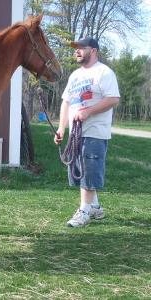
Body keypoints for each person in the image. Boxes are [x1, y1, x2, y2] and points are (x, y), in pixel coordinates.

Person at [54, 37, 120, 227]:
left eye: (81, 48)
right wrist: (61, 127)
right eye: (76, 48)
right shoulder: (75, 75)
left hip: (94, 132)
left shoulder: (104, 72)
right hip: (77, 133)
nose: (77, 51)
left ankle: (84, 211)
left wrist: (88, 112)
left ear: (94, 51)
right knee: (78, 170)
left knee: (88, 171)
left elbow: (113, 99)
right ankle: (96, 207)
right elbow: (66, 102)